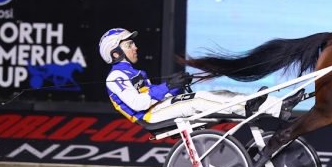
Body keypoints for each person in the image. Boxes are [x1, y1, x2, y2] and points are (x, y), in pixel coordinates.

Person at [99, 28, 285, 126]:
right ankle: (251, 109)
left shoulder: (134, 73)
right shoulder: (115, 77)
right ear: (115, 54)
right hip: (150, 117)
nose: (135, 47)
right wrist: (167, 86)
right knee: (198, 101)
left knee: (219, 92)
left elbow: (154, 95)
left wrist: (175, 85)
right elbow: (139, 104)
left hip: (159, 107)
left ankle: (277, 105)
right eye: (129, 44)